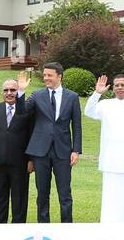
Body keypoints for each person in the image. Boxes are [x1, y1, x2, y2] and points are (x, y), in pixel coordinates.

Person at [24, 61, 82, 223]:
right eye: (44, 75)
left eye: (49, 75)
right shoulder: (37, 95)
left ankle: (66, 225)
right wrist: (21, 91)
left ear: (59, 76)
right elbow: (21, 113)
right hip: (40, 151)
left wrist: (76, 150)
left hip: (63, 152)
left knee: (65, 194)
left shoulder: (72, 97)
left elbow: (76, 125)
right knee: (42, 193)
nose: (46, 78)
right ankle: (43, 226)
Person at [86, 73, 124, 223]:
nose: (119, 88)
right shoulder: (105, 104)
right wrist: (97, 94)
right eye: (116, 85)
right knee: (111, 196)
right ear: (112, 88)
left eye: (122, 85)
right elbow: (88, 111)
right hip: (110, 158)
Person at [0, 75, 34, 224]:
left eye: (13, 90)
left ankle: (18, 228)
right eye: (6, 90)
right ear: (2, 92)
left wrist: (32, 159)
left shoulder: (26, 110)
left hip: (21, 163)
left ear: (18, 91)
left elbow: (32, 135)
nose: (9, 93)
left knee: (19, 198)